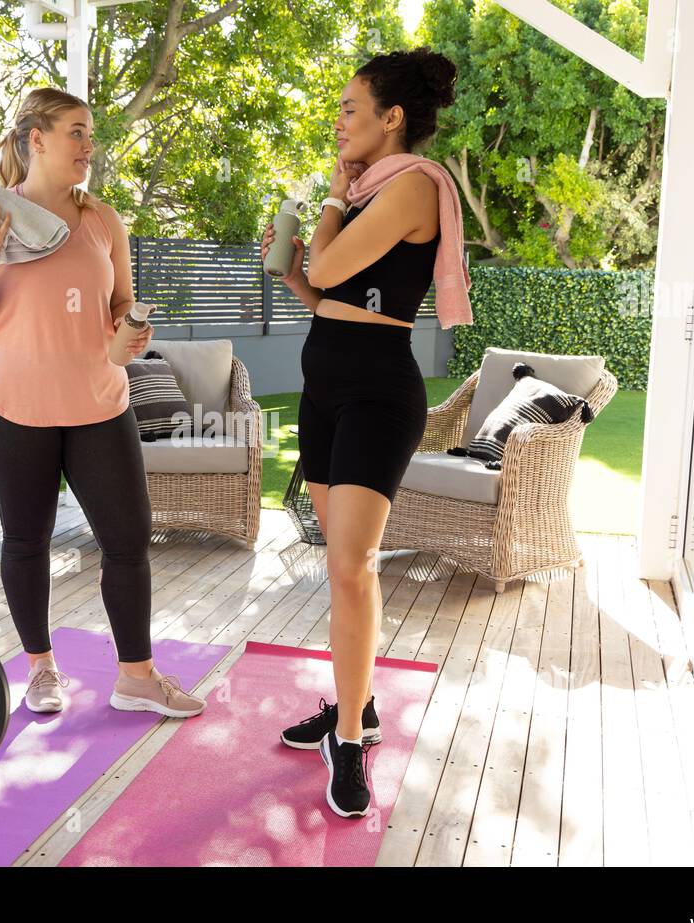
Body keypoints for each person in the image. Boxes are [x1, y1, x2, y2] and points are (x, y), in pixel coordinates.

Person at [0, 87, 205, 720]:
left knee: (127, 539)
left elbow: (120, 303)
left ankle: (137, 678)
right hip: (11, 406)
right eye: (76, 133)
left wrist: (129, 331)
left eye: (91, 135)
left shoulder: (103, 220)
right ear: (35, 138)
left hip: (98, 402)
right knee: (27, 540)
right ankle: (40, 670)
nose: (89, 147)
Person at [259, 48, 463, 817]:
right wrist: (290, 272)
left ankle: (348, 741)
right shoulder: (369, 189)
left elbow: (336, 253)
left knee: (352, 566)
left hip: (379, 393)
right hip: (325, 389)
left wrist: (332, 199)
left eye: (351, 108)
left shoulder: (410, 185)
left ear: (393, 118)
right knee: (337, 564)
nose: (339, 120)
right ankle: (361, 705)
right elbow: (326, 290)